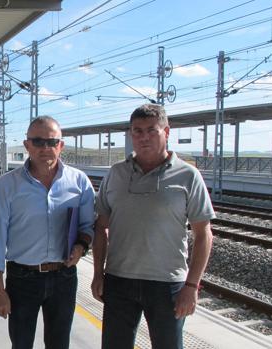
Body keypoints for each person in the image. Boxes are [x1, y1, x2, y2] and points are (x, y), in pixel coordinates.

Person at [91, 104, 214, 349]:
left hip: (167, 285)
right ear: (130, 134)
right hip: (119, 280)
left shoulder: (188, 176)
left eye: (151, 130)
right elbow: (100, 227)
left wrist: (191, 286)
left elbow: (203, 234)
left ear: (166, 132)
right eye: (137, 131)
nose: (144, 137)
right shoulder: (116, 174)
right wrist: (97, 273)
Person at [0, 116, 95, 349]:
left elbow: (87, 227)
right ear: (27, 145)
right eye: (38, 141)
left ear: (61, 145)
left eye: (52, 142)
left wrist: (81, 247)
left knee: (59, 343)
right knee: (21, 343)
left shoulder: (79, 182)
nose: (46, 148)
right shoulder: (7, 185)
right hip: (22, 278)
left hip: (64, 277)